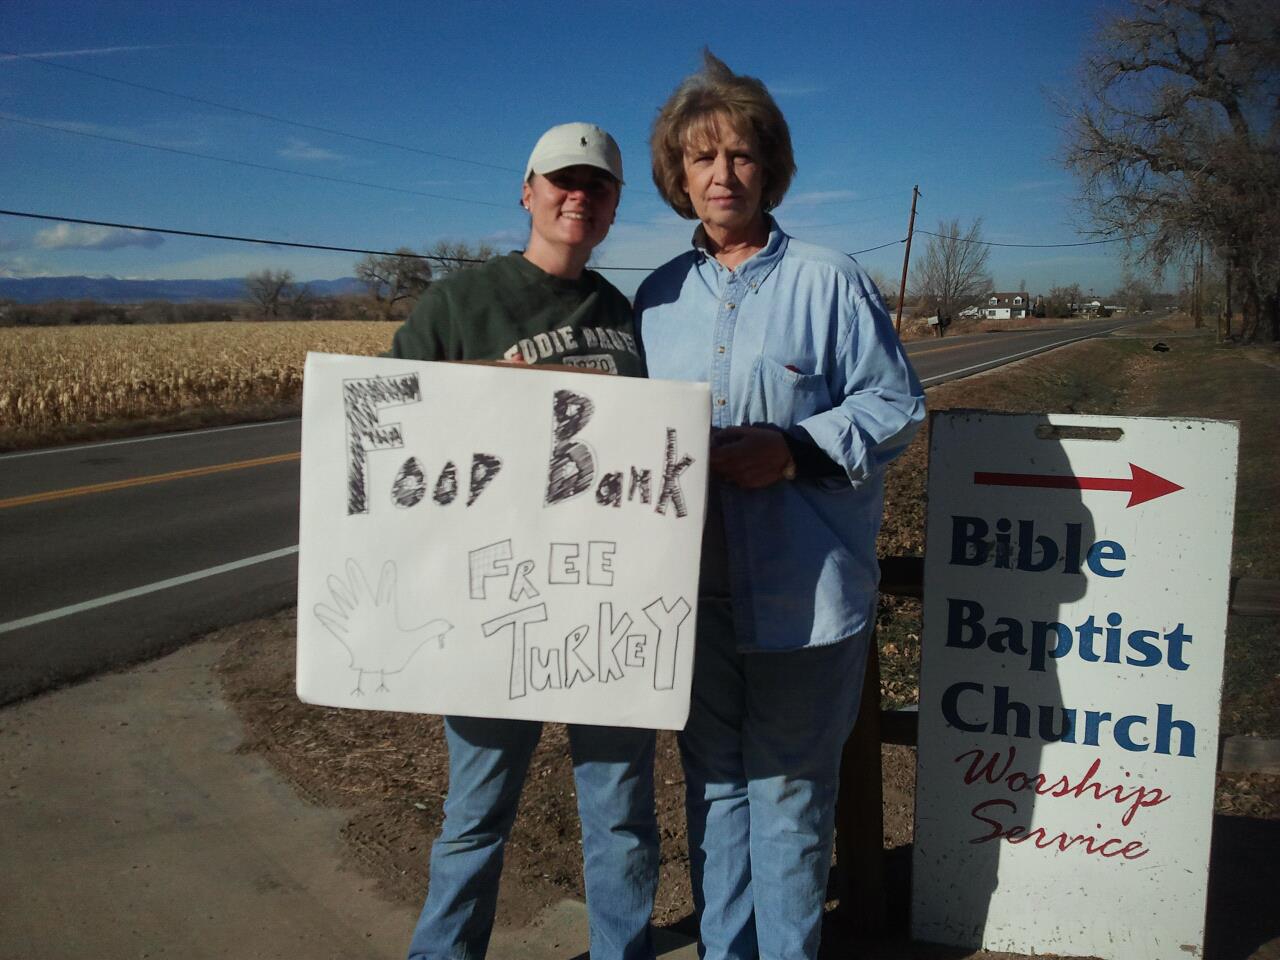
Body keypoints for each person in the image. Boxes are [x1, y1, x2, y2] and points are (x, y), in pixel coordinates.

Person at [634, 54, 925, 960]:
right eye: (701, 159)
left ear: (771, 167)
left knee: (791, 799)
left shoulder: (830, 281)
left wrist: (793, 450)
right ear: (678, 178)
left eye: (741, 155)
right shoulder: (656, 300)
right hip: (693, 599)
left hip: (807, 599)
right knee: (714, 792)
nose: (722, 175)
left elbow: (894, 406)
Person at [391, 122, 658, 960]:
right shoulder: (460, 305)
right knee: (476, 815)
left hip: (605, 603)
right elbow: (389, 430)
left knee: (619, 812)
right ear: (528, 190)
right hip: (492, 601)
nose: (578, 195)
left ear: (615, 208)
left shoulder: (624, 314)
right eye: (562, 181)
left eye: (598, 186)